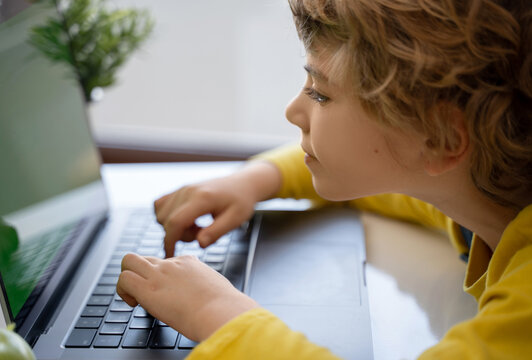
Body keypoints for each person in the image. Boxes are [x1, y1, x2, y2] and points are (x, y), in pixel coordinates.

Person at [116, 0, 532, 358]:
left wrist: (213, 313)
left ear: (441, 138)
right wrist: (259, 179)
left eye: (320, 93)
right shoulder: (476, 198)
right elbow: (398, 189)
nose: (293, 111)